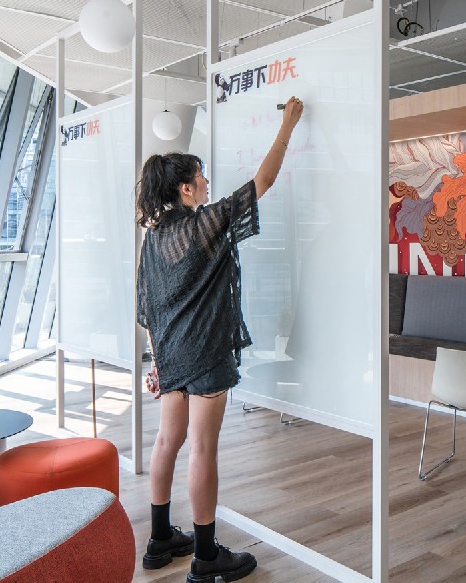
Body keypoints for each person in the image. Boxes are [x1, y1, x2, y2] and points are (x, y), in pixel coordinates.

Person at [135, 96, 304, 580]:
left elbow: (147, 307)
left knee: (167, 441)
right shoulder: (204, 225)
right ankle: (207, 559)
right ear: (187, 188)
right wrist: (288, 125)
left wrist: (158, 360)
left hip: (172, 355)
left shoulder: (155, 238)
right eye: (202, 176)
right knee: (202, 449)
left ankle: (160, 539)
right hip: (206, 353)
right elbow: (262, 182)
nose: (208, 183)